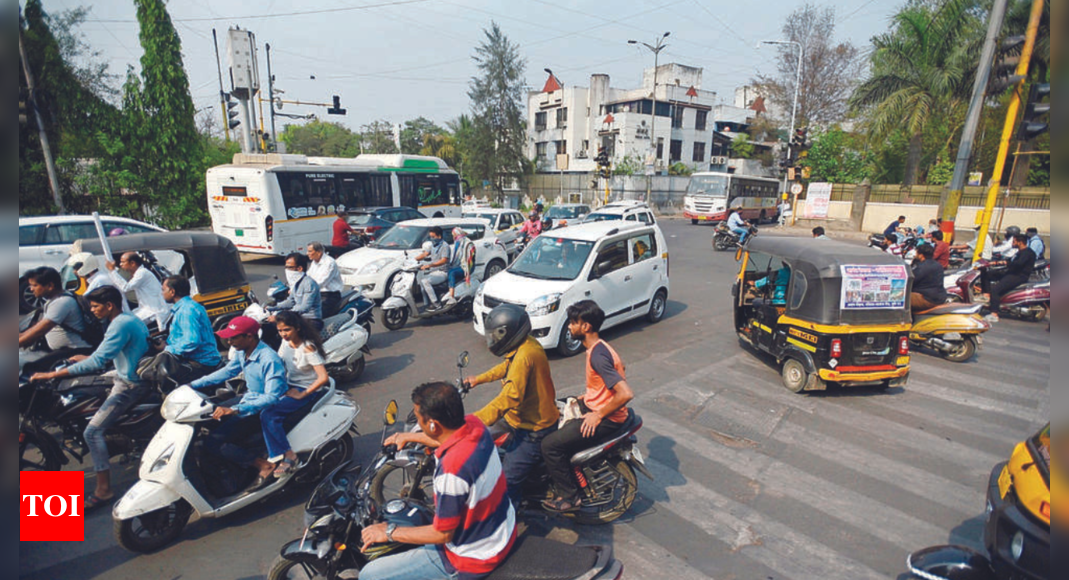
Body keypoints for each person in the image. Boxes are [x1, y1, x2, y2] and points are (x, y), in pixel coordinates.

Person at [365, 383, 516, 580]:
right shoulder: (474, 425)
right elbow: (444, 439)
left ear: (433, 424)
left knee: (369, 574)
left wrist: (389, 532)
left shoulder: (451, 472)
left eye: (419, 419)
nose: (418, 422)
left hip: (473, 557)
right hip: (502, 530)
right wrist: (409, 436)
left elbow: (443, 534)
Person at [30, 286, 150, 510]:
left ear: (109, 306)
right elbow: (105, 355)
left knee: (92, 432)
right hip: (122, 372)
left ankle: (103, 490)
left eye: (95, 306)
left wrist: (52, 374)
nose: (92, 310)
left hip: (130, 383)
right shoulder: (125, 319)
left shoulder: (120, 324)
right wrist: (86, 357)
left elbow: (97, 362)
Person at [541, 301, 634, 513]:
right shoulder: (599, 348)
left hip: (608, 418)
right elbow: (616, 372)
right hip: (595, 406)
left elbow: (626, 393)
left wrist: (598, 414)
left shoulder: (598, 355)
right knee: (556, 408)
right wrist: (590, 396)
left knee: (549, 446)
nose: (570, 327)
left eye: (574, 323)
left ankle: (570, 497)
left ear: (586, 327)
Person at [465, 304, 558, 504]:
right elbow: (507, 366)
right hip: (515, 419)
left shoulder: (525, 355)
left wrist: (476, 419)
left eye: (495, 336)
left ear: (508, 334)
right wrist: (478, 379)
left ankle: (509, 518)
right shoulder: (525, 345)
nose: (492, 341)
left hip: (533, 428)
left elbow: (510, 397)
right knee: (481, 444)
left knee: (507, 481)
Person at [189, 316, 288, 491]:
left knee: (213, 442)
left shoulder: (268, 359)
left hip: (262, 409)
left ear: (250, 336)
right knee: (207, 421)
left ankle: (263, 465)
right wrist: (192, 385)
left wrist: (235, 409)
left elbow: (272, 397)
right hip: (248, 399)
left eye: (234, 337)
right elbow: (227, 371)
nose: (229, 341)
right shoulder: (244, 352)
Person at [261, 311, 330, 479]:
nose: (283, 334)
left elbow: (323, 377)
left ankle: (289, 455)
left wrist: (302, 394)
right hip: (289, 385)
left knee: (269, 415)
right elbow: (277, 364)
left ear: (297, 328)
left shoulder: (307, 347)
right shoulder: (285, 344)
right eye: (280, 331)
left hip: (306, 390)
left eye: (287, 330)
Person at [141, 276, 221, 387]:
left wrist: (166, 349)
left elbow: (192, 341)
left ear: (172, 291)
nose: (162, 293)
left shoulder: (187, 310)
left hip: (200, 362)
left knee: (159, 379)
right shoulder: (186, 307)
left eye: (164, 290)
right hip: (192, 358)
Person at [18, 267, 94, 374]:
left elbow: (40, 330)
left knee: (30, 369)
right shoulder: (54, 300)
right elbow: (32, 330)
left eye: (35, 285)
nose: (31, 289)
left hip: (75, 350)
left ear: (50, 286)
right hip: (62, 350)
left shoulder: (61, 302)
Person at [107, 251, 169, 328]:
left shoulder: (142, 273)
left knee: (127, 325)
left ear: (132, 263)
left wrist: (112, 271)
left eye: (123, 262)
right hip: (145, 309)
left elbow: (125, 288)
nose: (120, 264)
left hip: (154, 311)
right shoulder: (138, 273)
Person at [987, 234, 1036, 323]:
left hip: (1018, 276)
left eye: (1014, 241)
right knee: (988, 274)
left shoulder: (1028, 253)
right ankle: (985, 295)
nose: (1012, 243)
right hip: (1010, 273)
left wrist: (1005, 263)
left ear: (1020, 242)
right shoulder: (1019, 252)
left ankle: (994, 313)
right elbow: (1011, 261)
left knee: (995, 290)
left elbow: (1018, 264)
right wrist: (995, 263)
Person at [269, 253, 323, 331]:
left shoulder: (309, 283)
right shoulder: (296, 282)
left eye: (289, 267)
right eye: (286, 267)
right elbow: (290, 302)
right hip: (298, 317)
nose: (287, 270)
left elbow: (304, 307)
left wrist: (281, 316)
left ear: (299, 268)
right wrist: (273, 308)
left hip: (311, 320)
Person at [417, 226, 452, 312]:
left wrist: (430, 265)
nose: (431, 239)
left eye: (433, 237)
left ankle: (436, 304)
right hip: (434, 272)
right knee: (421, 283)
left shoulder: (445, 246)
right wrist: (413, 260)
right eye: (430, 237)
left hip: (443, 272)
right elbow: (425, 254)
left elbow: (444, 260)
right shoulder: (433, 245)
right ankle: (426, 304)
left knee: (426, 281)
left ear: (439, 236)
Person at [307, 242, 344, 316]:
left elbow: (322, 282)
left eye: (310, 251)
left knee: (315, 314)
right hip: (316, 293)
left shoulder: (329, 263)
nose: (307, 253)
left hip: (329, 295)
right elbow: (308, 276)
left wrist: (306, 289)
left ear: (319, 252)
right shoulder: (314, 262)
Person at [444, 227, 476, 306]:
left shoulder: (467, 243)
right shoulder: (458, 242)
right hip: (459, 265)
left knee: (451, 272)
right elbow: (456, 257)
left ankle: (452, 296)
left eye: (454, 235)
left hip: (467, 267)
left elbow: (469, 258)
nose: (453, 237)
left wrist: (467, 271)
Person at [910, 244, 948, 312]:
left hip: (927, 298)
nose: (915, 255)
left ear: (921, 255)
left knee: (898, 299)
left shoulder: (921, 267)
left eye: (916, 253)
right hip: (939, 297)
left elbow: (911, 280)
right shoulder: (937, 264)